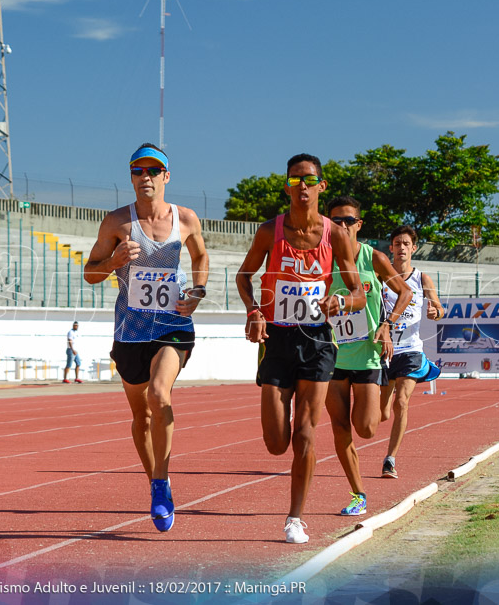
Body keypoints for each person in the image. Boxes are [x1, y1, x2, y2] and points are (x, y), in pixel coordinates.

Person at [235, 153, 366, 544]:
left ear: (320, 186)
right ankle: (287, 452)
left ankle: (295, 518)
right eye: (295, 180)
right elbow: (244, 275)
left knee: (306, 435)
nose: (302, 186)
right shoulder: (269, 232)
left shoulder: (336, 235)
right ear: (287, 185)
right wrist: (254, 310)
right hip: (277, 337)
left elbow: (359, 291)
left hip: (316, 341)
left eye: (309, 180)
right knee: (277, 443)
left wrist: (341, 302)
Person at [84, 143, 209, 533]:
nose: (146, 177)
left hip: (173, 324)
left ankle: (160, 484)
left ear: (166, 177)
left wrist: (198, 292)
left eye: (154, 171)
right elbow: (90, 272)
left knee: (159, 394)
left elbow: (201, 259)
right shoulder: (116, 223)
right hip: (131, 331)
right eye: (139, 171)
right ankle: (158, 480)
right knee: (141, 415)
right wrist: (113, 262)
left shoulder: (186, 218)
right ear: (132, 177)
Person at [325, 196, 412, 517]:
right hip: (332, 356)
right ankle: (358, 493)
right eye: (336, 220)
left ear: (359, 225)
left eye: (349, 220)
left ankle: (385, 398)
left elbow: (405, 292)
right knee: (339, 427)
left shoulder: (372, 258)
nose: (343, 226)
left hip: (368, 356)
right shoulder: (323, 260)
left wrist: (387, 325)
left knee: (367, 429)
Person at [379, 225, 444, 480]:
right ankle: (381, 417)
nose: (402, 247)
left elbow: (438, 307)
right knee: (380, 414)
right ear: (391, 248)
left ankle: (390, 459)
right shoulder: (380, 276)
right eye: (398, 243)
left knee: (402, 401)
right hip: (384, 350)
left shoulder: (422, 279)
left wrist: (435, 311)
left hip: (410, 349)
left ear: (413, 248)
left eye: (407, 243)